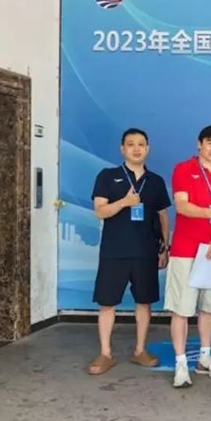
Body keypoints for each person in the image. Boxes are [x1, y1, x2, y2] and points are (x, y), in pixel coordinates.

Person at [88, 128, 171, 375]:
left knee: (144, 302)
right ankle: (105, 353)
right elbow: (100, 211)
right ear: (122, 149)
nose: (136, 148)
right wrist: (124, 202)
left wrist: (164, 248)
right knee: (107, 303)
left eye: (141, 144)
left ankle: (140, 350)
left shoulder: (155, 181)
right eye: (131, 144)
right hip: (114, 251)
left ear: (148, 149)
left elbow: (163, 216)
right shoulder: (107, 176)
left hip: (146, 251)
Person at [165, 125, 211, 388]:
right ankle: (181, 363)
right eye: (210, 143)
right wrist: (209, 213)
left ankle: (205, 357)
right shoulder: (183, 169)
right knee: (182, 309)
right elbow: (181, 205)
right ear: (199, 143)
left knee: (209, 307)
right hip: (185, 250)